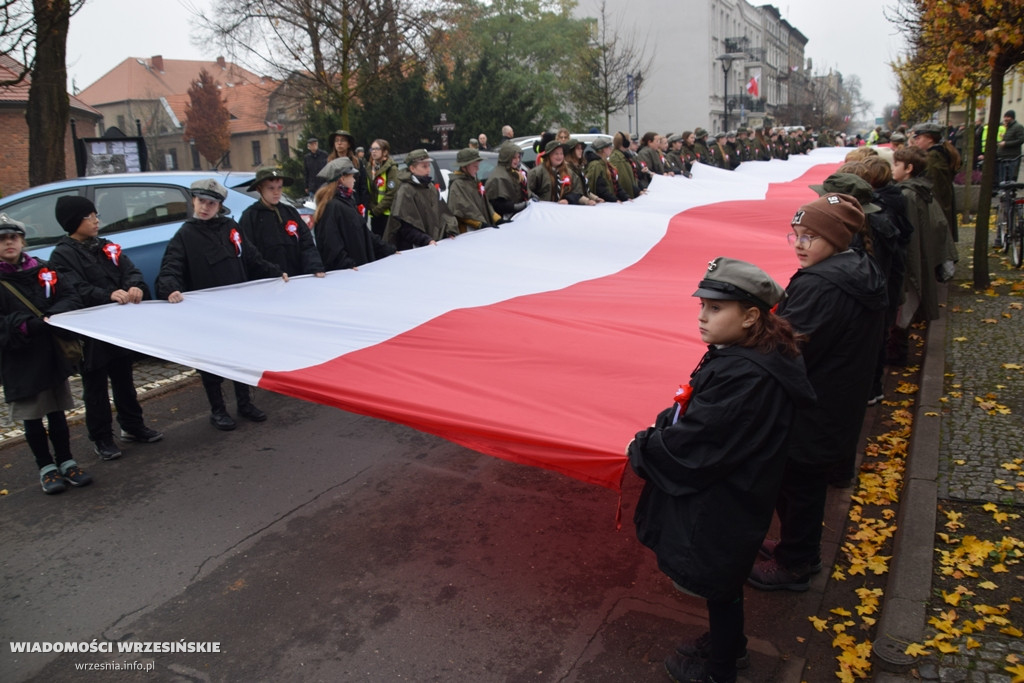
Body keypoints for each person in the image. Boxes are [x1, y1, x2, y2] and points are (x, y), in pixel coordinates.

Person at [629, 257, 814, 683]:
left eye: (715, 308)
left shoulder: (745, 375)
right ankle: (729, 645)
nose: (702, 316)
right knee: (725, 576)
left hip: (726, 497)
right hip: (740, 490)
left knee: (721, 580)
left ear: (750, 317)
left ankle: (721, 668)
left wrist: (642, 447)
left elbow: (700, 442)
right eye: (702, 306)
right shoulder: (750, 355)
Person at [749, 194, 887, 592]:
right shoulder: (857, 269)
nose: (800, 244)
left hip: (812, 406)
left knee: (797, 485)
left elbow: (788, 347)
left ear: (837, 238)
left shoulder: (822, 284)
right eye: (796, 235)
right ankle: (797, 548)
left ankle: (796, 563)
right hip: (834, 400)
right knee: (801, 484)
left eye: (811, 236)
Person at [156, 179, 288, 431]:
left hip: (236, 307)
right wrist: (169, 287)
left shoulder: (230, 227)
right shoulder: (185, 235)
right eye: (201, 201)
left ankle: (245, 402)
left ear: (219, 206)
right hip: (206, 313)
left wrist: (275, 272)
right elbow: (171, 266)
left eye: (212, 203)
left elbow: (251, 258)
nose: (205, 207)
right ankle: (218, 410)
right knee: (211, 362)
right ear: (193, 201)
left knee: (241, 355)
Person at [48, 196, 163, 461]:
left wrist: (135, 286)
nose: (96, 221)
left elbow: (130, 270)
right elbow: (74, 288)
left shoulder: (106, 247)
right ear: (73, 221)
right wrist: (107, 295)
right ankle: (101, 437)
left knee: (124, 379)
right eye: (89, 216)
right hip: (91, 332)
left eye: (95, 215)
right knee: (95, 387)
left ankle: (132, 425)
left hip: (118, 326)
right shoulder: (63, 254)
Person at [0, 213, 90, 494]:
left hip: (51, 353)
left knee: (57, 412)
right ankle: (46, 467)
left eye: (13, 237)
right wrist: (27, 325)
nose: (9, 243)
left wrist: (54, 315)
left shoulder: (43, 269)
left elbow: (70, 295)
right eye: (2, 240)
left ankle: (67, 461)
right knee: (33, 417)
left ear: (22, 241)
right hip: (20, 359)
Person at [888, 146, 956, 364]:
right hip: (918, 255)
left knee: (904, 306)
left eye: (896, 164)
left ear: (908, 168)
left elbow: (909, 232)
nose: (892, 168)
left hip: (910, 259)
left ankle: (898, 352)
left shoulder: (907, 194)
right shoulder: (921, 190)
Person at [237, 168, 325, 278]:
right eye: (271, 188)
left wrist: (315, 266)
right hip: (269, 279)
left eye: (279, 187)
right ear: (259, 189)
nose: (276, 192)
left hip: (295, 277)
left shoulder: (290, 212)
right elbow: (249, 254)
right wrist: (272, 272)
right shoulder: (250, 217)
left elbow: (306, 243)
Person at [313, 157, 397, 270]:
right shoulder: (332, 206)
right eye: (352, 176)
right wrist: (347, 264)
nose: (354, 180)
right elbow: (331, 242)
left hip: (358, 267)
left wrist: (387, 249)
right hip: (348, 273)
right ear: (342, 178)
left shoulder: (347, 201)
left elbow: (364, 232)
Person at [382, 149, 458, 249]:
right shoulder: (406, 190)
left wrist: (449, 230)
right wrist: (426, 240)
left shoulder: (430, 187)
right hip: (414, 247)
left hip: (433, 243)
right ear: (412, 168)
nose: (428, 170)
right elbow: (405, 226)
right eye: (424, 166)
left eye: (428, 166)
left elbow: (443, 214)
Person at [911, 122, 959, 241]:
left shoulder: (933, 158)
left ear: (930, 139)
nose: (916, 141)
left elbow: (932, 187)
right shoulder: (939, 153)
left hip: (937, 207)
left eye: (919, 138)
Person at [446, 148, 501, 232]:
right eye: (475, 166)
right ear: (464, 167)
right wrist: (480, 224)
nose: (478, 169)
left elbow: (485, 204)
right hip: (469, 232)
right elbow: (460, 212)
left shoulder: (474, 181)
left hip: (482, 229)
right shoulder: (457, 185)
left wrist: (497, 219)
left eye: (478, 166)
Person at [485, 142, 530, 221]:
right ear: (507, 158)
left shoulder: (515, 172)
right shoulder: (498, 177)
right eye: (514, 157)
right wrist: (516, 206)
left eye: (518, 157)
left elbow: (521, 191)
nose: (517, 160)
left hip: (518, 216)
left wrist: (531, 195)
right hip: (505, 220)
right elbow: (496, 204)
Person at [366, 139, 399, 238]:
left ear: (385, 152)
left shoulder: (391, 169)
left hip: (387, 214)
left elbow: (392, 193)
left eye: (377, 149)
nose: (373, 151)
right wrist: (372, 208)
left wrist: (377, 209)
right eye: (372, 149)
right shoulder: (369, 167)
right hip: (374, 213)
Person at [327, 129, 367, 207]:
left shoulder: (357, 162)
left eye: (342, 140)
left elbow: (363, 185)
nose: (339, 143)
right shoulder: (330, 163)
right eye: (336, 140)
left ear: (349, 144)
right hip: (336, 203)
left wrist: (362, 204)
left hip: (354, 202)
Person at [585, 138, 629, 203]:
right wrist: (614, 200)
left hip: (609, 201)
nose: (611, 148)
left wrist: (626, 197)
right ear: (602, 150)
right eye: (608, 147)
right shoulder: (596, 165)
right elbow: (600, 189)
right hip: (603, 203)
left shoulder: (606, 164)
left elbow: (616, 184)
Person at [610, 132, 641, 199]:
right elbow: (624, 180)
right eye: (629, 140)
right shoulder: (617, 158)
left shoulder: (625, 156)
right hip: (625, 195)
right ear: (624, 142)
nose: (630, 142)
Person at [997, 110, 1024, 183]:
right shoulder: (1006, 127)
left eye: (1008, 117)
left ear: (1012, 118)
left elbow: (1021, 140)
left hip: (1012, 157)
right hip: (1003, 156)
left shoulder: (1018, 127)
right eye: (1005, 117)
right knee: (1003, 178)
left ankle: (1010, 188)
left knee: (1010, 177)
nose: (1005, 119)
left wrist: (1006, 143)